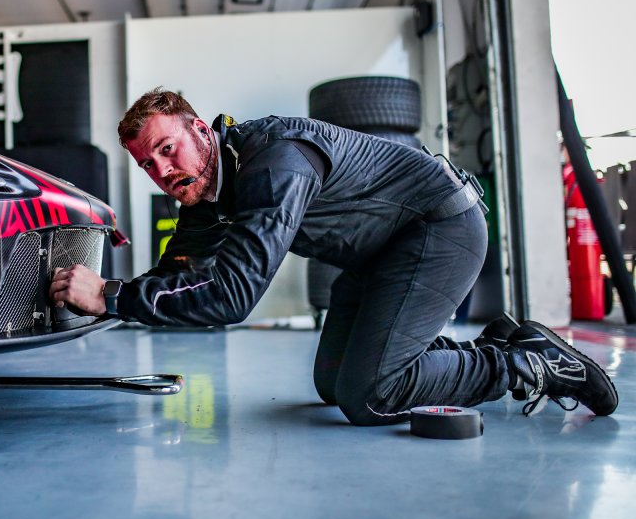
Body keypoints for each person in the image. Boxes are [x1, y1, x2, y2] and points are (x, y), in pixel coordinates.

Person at [49, 87, 617, 425]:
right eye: (148, 164)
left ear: (200, 130)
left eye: (167, 149)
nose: (162, 171)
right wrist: (110, 298)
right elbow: (176, 277)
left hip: (440, 229)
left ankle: (531, 365)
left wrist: (111, 296)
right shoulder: (207, 195)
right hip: (379, 258)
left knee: (370, 396)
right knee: (333, 382)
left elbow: (232, 298)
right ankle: (497, 345)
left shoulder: (274, 163)